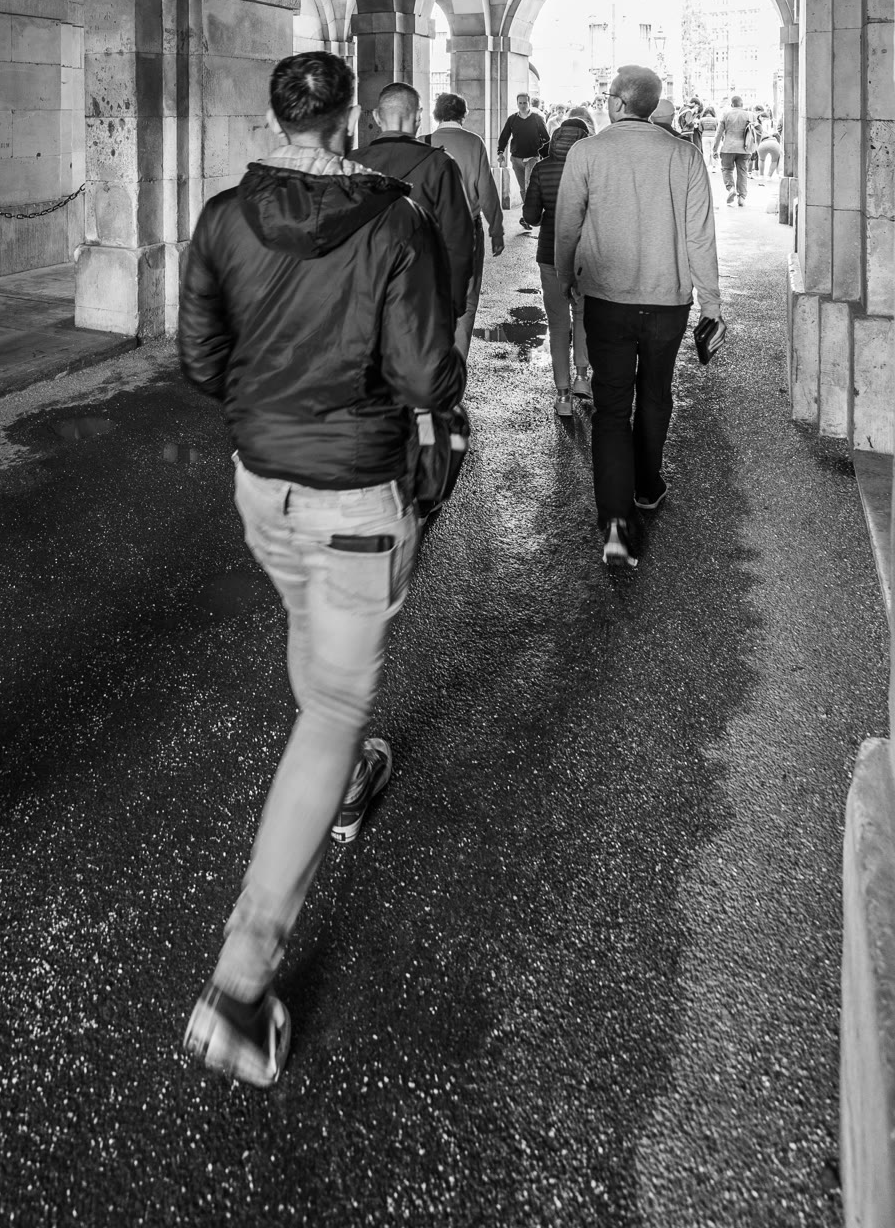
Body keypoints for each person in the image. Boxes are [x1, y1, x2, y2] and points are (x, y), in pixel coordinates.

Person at [178, 53, 463, 1087]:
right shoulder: (391, 219)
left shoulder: (223, 217)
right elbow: (426, 372)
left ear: (277, 119)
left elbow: (201, 360)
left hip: (263, 483)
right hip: (354, 491)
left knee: (313, 635)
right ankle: (240, 985)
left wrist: (268, 398)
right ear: (346, 120)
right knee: (336, 700)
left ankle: (339, 779)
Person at [554, 66, 722, 569]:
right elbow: (700, 235)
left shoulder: (587, 152)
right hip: (668, 301)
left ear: (617, 102)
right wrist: (711, 303)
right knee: (655, 393)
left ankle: (615, 520)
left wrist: (565, 276)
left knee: (610, 407)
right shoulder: (684, 155)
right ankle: (647, 486)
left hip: (607, 298)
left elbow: (567, 224)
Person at [357, 82, 476, 336]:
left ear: (376, 117)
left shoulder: (350, 164)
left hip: (362, 300)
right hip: (422, 300)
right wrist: (452, 305)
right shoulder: (440, 164)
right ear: (419, 116)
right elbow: (459, 241)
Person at [519, 106, 594, 419]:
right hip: (586, 253)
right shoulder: (592, 166)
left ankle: (563, 394)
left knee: (558, 323)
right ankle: (582, 378)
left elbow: (531, 216)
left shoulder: (542, 168)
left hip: (550, 252)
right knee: (583, 316)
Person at [428, 91, 504, 357]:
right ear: (463, 115)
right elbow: (486, 190)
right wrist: (496, 230)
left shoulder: (424, 142)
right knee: (468, 298)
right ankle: (457, 363)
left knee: (431, 295)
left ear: (436, 114)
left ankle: (434, 361)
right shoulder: (474, 143)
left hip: (430, 229)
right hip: (467, 229)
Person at [496, 92, 550, 210]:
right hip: (516, 158)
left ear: (529, 103)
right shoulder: (512, 119)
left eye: (525, 103)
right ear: (517, 104)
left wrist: (539, 148)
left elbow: (546, 138)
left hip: (532, 157)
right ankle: (529, 212)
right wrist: (500, 152)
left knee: (529, 186)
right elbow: (504, 136)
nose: (522, 105)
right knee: (522, 188)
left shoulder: (537, 118)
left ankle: (531, 211)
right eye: (520, 103)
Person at [712, 94, 755, 205]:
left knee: (727, 169)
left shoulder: (725, 114)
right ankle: (742, 198)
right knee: (742, 172)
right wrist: (754, 149)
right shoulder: (750, 115)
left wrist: (715, 149)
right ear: (742, 104)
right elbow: (755, 134)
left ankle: (731, 188)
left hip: (728, 148)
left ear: (731, 105)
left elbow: (718, 133)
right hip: (744, 149)